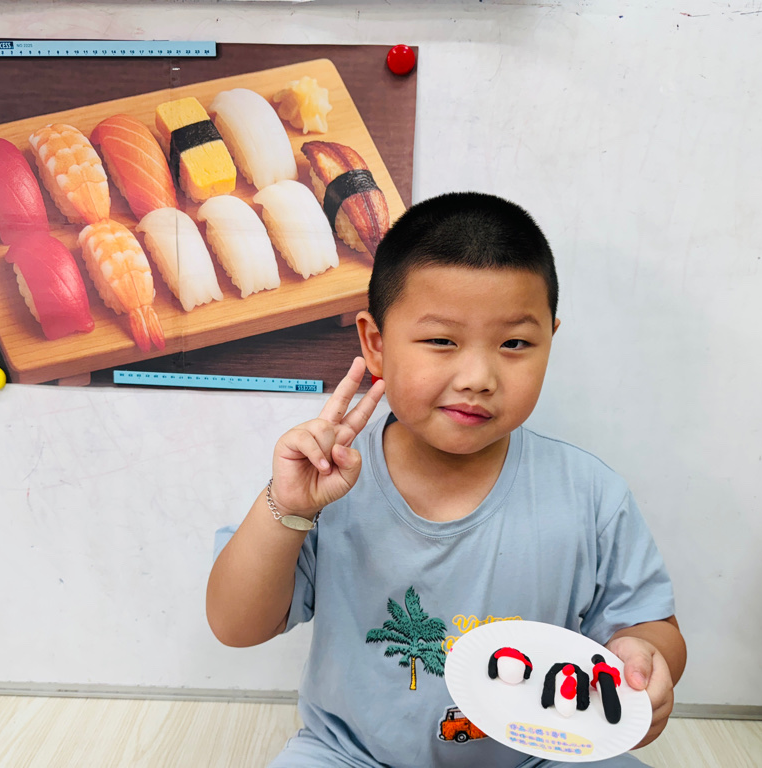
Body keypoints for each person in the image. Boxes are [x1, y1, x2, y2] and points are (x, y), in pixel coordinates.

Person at [207, 192, 686, 768]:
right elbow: (235, 625)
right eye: (441, 341)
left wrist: (645, 655)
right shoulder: (324, 482)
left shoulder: (590, 494)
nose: (478, 376)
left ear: (550, 341)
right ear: (375, 343)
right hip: (350, 755)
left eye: (515, 343)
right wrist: (287, 508)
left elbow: (650, 625)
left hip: (541, 755)